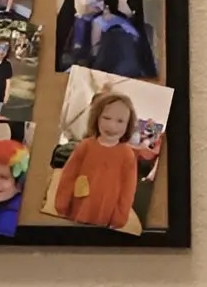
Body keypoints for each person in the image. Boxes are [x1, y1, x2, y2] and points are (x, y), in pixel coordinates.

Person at [55, 91, 147, 229]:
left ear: (128, 125)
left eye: (120, 121)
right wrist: (62, 203)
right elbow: (69, 176)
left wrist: (119, 218)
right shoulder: (85, 146)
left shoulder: (127, 155)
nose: (112, 126)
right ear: (96, 118)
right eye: (106, 118)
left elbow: (128, 190)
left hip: (105, 212)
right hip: (78, 206)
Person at [76, 0, 158, 80]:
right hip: (134, 65)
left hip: (113, 67)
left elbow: (95, 50)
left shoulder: (99, 21)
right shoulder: (128, 22)